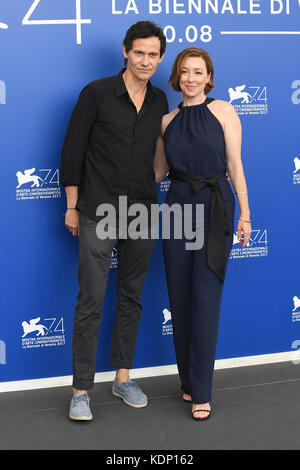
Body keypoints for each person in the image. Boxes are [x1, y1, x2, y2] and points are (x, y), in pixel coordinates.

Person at [60, 21, 168, 421]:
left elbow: (159, 152)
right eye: (138, 52)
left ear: (160, 58)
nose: (145, 60)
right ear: (126, 51)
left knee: (132, 297)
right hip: (97, 209)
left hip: (142, 209)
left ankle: (123, 376)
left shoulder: (160, 99)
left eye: (152, 54)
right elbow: (72, 149)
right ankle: (81, 390)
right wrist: (72, 205)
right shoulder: (97, 93)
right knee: (91, 299)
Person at [153, 47, 251, 421]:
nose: (191, 78)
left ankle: (203, 393)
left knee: (205, 296)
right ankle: (189, 382)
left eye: (199, 72)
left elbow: (234, 165)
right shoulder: (166, 121)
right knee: (179, 296)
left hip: (215, 206)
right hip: (177, 207)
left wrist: (245, 213)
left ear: (209, 77)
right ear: (176, 77)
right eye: (185, 72)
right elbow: (158, 173)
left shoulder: (224, 110)